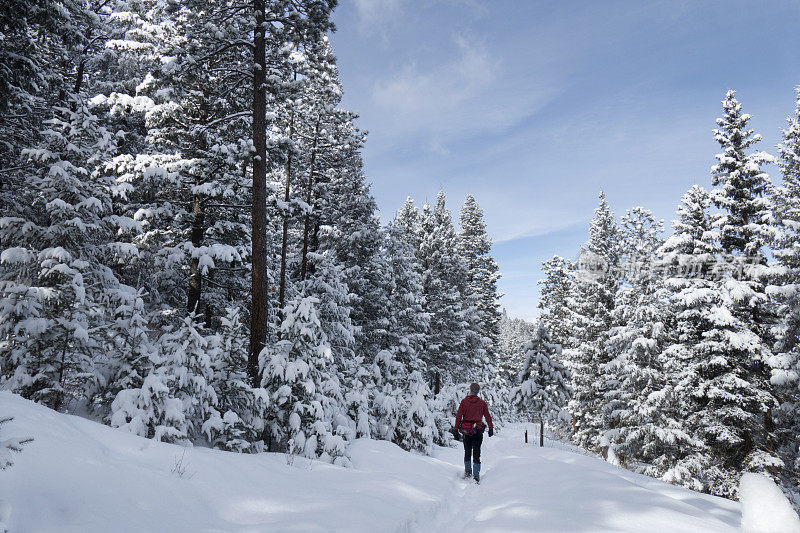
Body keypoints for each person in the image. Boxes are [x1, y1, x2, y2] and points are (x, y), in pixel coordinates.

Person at [453, 382, 493, 482]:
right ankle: (476, 476)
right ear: (478, 392)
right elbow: (487, 416)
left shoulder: (464, 402)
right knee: (477, 452)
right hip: (478, 430)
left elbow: (459, 416)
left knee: (467, 451)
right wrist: (491, 428)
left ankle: (467, 472)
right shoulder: (482, 403)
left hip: (466, 431)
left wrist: (456, 429)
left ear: (470, 390)